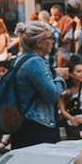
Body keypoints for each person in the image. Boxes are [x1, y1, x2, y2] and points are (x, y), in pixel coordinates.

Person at [7, 21, 66, 149]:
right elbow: (51, 94)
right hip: (37, 125)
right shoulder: (36, 63)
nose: (52, 41)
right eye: (49, 38)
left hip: (22, 121)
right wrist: (61, 79)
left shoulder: (20, 59)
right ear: (39, 43)